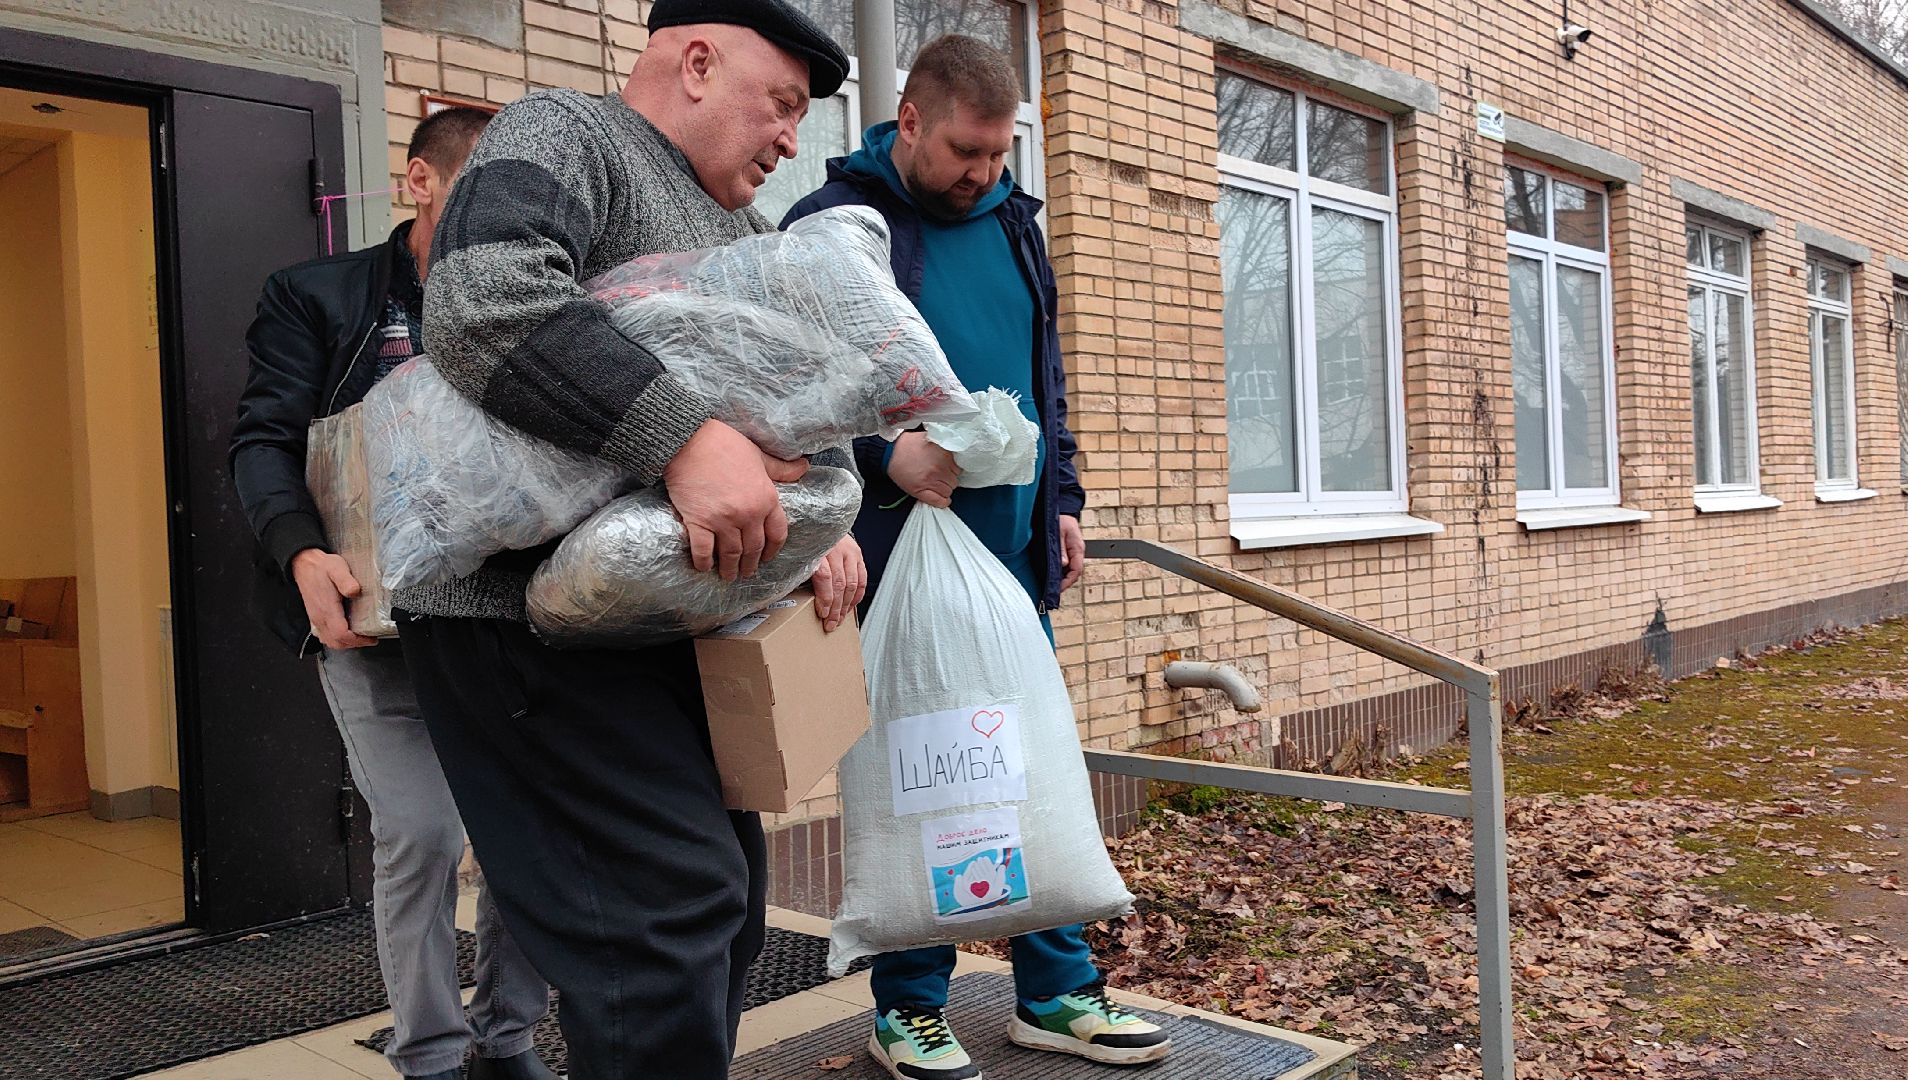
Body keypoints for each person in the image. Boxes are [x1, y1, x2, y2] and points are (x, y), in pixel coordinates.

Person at [391, 2, 863, 1076]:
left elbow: (801, 410)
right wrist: (685, 440)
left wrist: (825, 517)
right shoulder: (567, 133)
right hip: (515, 621)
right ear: (696, 62)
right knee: (659, 920)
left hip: (655, 628)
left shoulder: (746, 237)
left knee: (725, 910)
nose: (793, 138)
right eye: (781, 103)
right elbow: (485, 299)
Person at [784, 35, 1174, 1079]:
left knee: (1027, 764)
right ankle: (909, 1004)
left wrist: (1065, 499)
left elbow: (1041, 373)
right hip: (897, 563)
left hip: (1006, 559)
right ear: (907, 120)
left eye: (1002, 154)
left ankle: (1057, 992)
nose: (986, 173)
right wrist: (879, 454)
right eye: (967, 151)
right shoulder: (835, 226)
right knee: (930, 777)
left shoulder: (1012, 220)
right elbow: (778, 383)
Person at [230, 107, 558, 1080]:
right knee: (419, 832)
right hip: (377, 628)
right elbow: (261, 443)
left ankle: (508, 1039)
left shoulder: (532, 305)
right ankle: (430, 1055)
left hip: (509, 630)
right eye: (478, 201)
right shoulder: (316, 297)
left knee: (524, 838)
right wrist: (299, 553)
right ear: (419, 182)